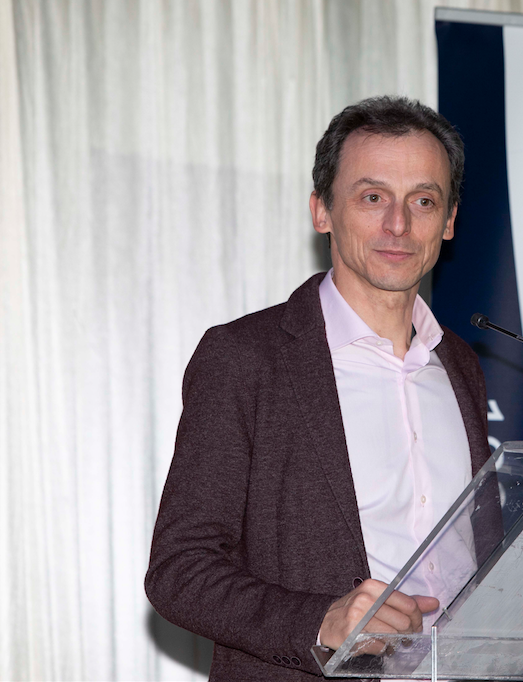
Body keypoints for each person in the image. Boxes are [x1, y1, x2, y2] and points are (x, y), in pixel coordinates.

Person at [145, 96, 497, 680]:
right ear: (322, 211)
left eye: (423, 201)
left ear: (449, 221)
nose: (398, 225)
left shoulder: (459, 363)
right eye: (372, 197)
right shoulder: (246, 358)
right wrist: (321, 622)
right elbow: (180, 572)